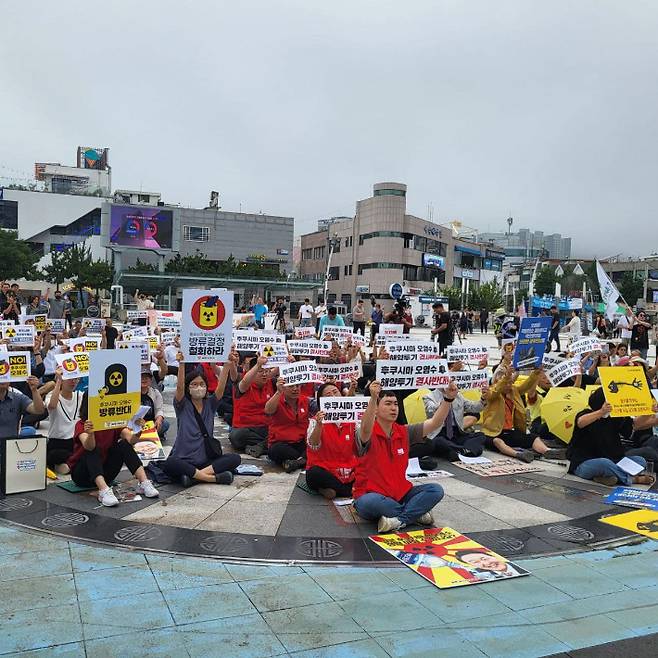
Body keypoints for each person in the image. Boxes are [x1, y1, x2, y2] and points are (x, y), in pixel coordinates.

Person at [352, 380, 453, 532]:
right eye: (387, 404)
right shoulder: (366, 432)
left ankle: (400, 520)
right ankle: (416, 513)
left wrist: (448, 399)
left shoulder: (403, 431)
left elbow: (434, 423)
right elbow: (365, 428)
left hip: (401, 494)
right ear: (376, 410)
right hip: (370, 495)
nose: (393, 408)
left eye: (395, 404)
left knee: (435, 490)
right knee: (372, 502)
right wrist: (373, 398)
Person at [161, 352, 241, 487]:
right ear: (188, 388)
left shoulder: (210, 404)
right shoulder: (182, 405)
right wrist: (181, 364)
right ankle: (211, 478)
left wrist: (227, 365)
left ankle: (194, 477)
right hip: (183, 459)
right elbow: (180, 388)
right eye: (194, 384)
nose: (199, 387)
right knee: (170, 463)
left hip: (205, 460)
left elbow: (220, 387)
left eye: (202, 384)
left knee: (235, 458)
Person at [68, 393, 159, 506]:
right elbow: (89, 447)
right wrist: (91, 434)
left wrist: (138, 430)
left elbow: (131, 440)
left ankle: (144, 482)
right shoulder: (81, 424)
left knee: (124, 445)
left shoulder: (112, 422)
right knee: (93, 449)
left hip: (105, 472)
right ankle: (103, 491)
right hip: (82, 475)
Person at [568, 388, 655, 487]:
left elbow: (634, 424)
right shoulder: (586, 413)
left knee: (640, 461)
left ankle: (606, 477)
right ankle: (632, 479)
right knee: (605, 464)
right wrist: (601, 412)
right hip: (584, 463)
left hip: (614, 459)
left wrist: (649, 412)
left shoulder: (615, 417)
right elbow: (580, 422)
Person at [480, 366, 565, 462]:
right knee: (497, 442)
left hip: (509, 431)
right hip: (492, 432)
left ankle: (547, 451)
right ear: (497, 381)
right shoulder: (491, 393)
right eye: (506, 382)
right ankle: (518, 454)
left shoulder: (513, 391)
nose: (509, 385)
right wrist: (507, 375)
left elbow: (526, 386)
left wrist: (535, 373)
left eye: (510, 382)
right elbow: (497, 389)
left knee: (533, 437)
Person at [305, 382, 358, 499]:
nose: (333, 396)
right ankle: (348, 491)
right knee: (314, 474)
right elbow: (313, 445)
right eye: (328, 395)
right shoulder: (315, 421)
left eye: (335, 392)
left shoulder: (352, 420)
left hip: (349, 470)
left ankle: (336, 490)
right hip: (326, 469)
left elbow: (363, 442)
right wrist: (319, 425)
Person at [420, 381, 488, 462]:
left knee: (481, 436)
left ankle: (458, 451)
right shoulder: (429, 396)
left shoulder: (458, 395)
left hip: (457, 433)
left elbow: (474, 407)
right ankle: (466, 451)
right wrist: (447, 399)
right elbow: (431, 409)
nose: (451, 383)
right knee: (437, 442)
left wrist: (483, 398)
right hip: (439, 432)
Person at [229, 355, 275, 456]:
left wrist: (289, 361)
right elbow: (245, 381)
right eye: (260, 371)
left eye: (267, 371)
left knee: (281, 432)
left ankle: (261, 446)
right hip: (246, 428)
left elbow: (278, 370)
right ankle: (266, 445)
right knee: (236, 437)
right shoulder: (243, 383)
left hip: (266, 427)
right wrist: (258, 364)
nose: (264, 374)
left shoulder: (271, 383)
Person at [264, 376, 310, 472]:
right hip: (281, 443)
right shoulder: (277, 399)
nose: (295, 389)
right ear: (284, 387)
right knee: (276, 450)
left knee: (316, 446)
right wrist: (278, 392)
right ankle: (302, 460)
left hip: (301, 442)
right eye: (291, 386)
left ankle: (296, 462)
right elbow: (268, 410)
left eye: (297, 386)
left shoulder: (306, 401)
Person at [45, 368, 83, 472]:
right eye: (70, 379)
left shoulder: (80, 395)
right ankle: (71, 463)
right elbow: (52, 405)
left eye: (76, 379)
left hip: (75, 441)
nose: (73, 381)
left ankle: (70, 464)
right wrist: (58, 381)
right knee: (55, 454)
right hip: (57, 443)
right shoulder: (51, 396)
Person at [139, 370, 169, 440]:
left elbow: (159, 409)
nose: (144, 380)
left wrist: (159, 419)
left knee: (165, 424)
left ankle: (154, 434)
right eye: (141, 377)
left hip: (151, 423)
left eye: (146, 378)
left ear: (150, 380)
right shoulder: (132, 393)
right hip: (137, 423)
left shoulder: (155, 392)